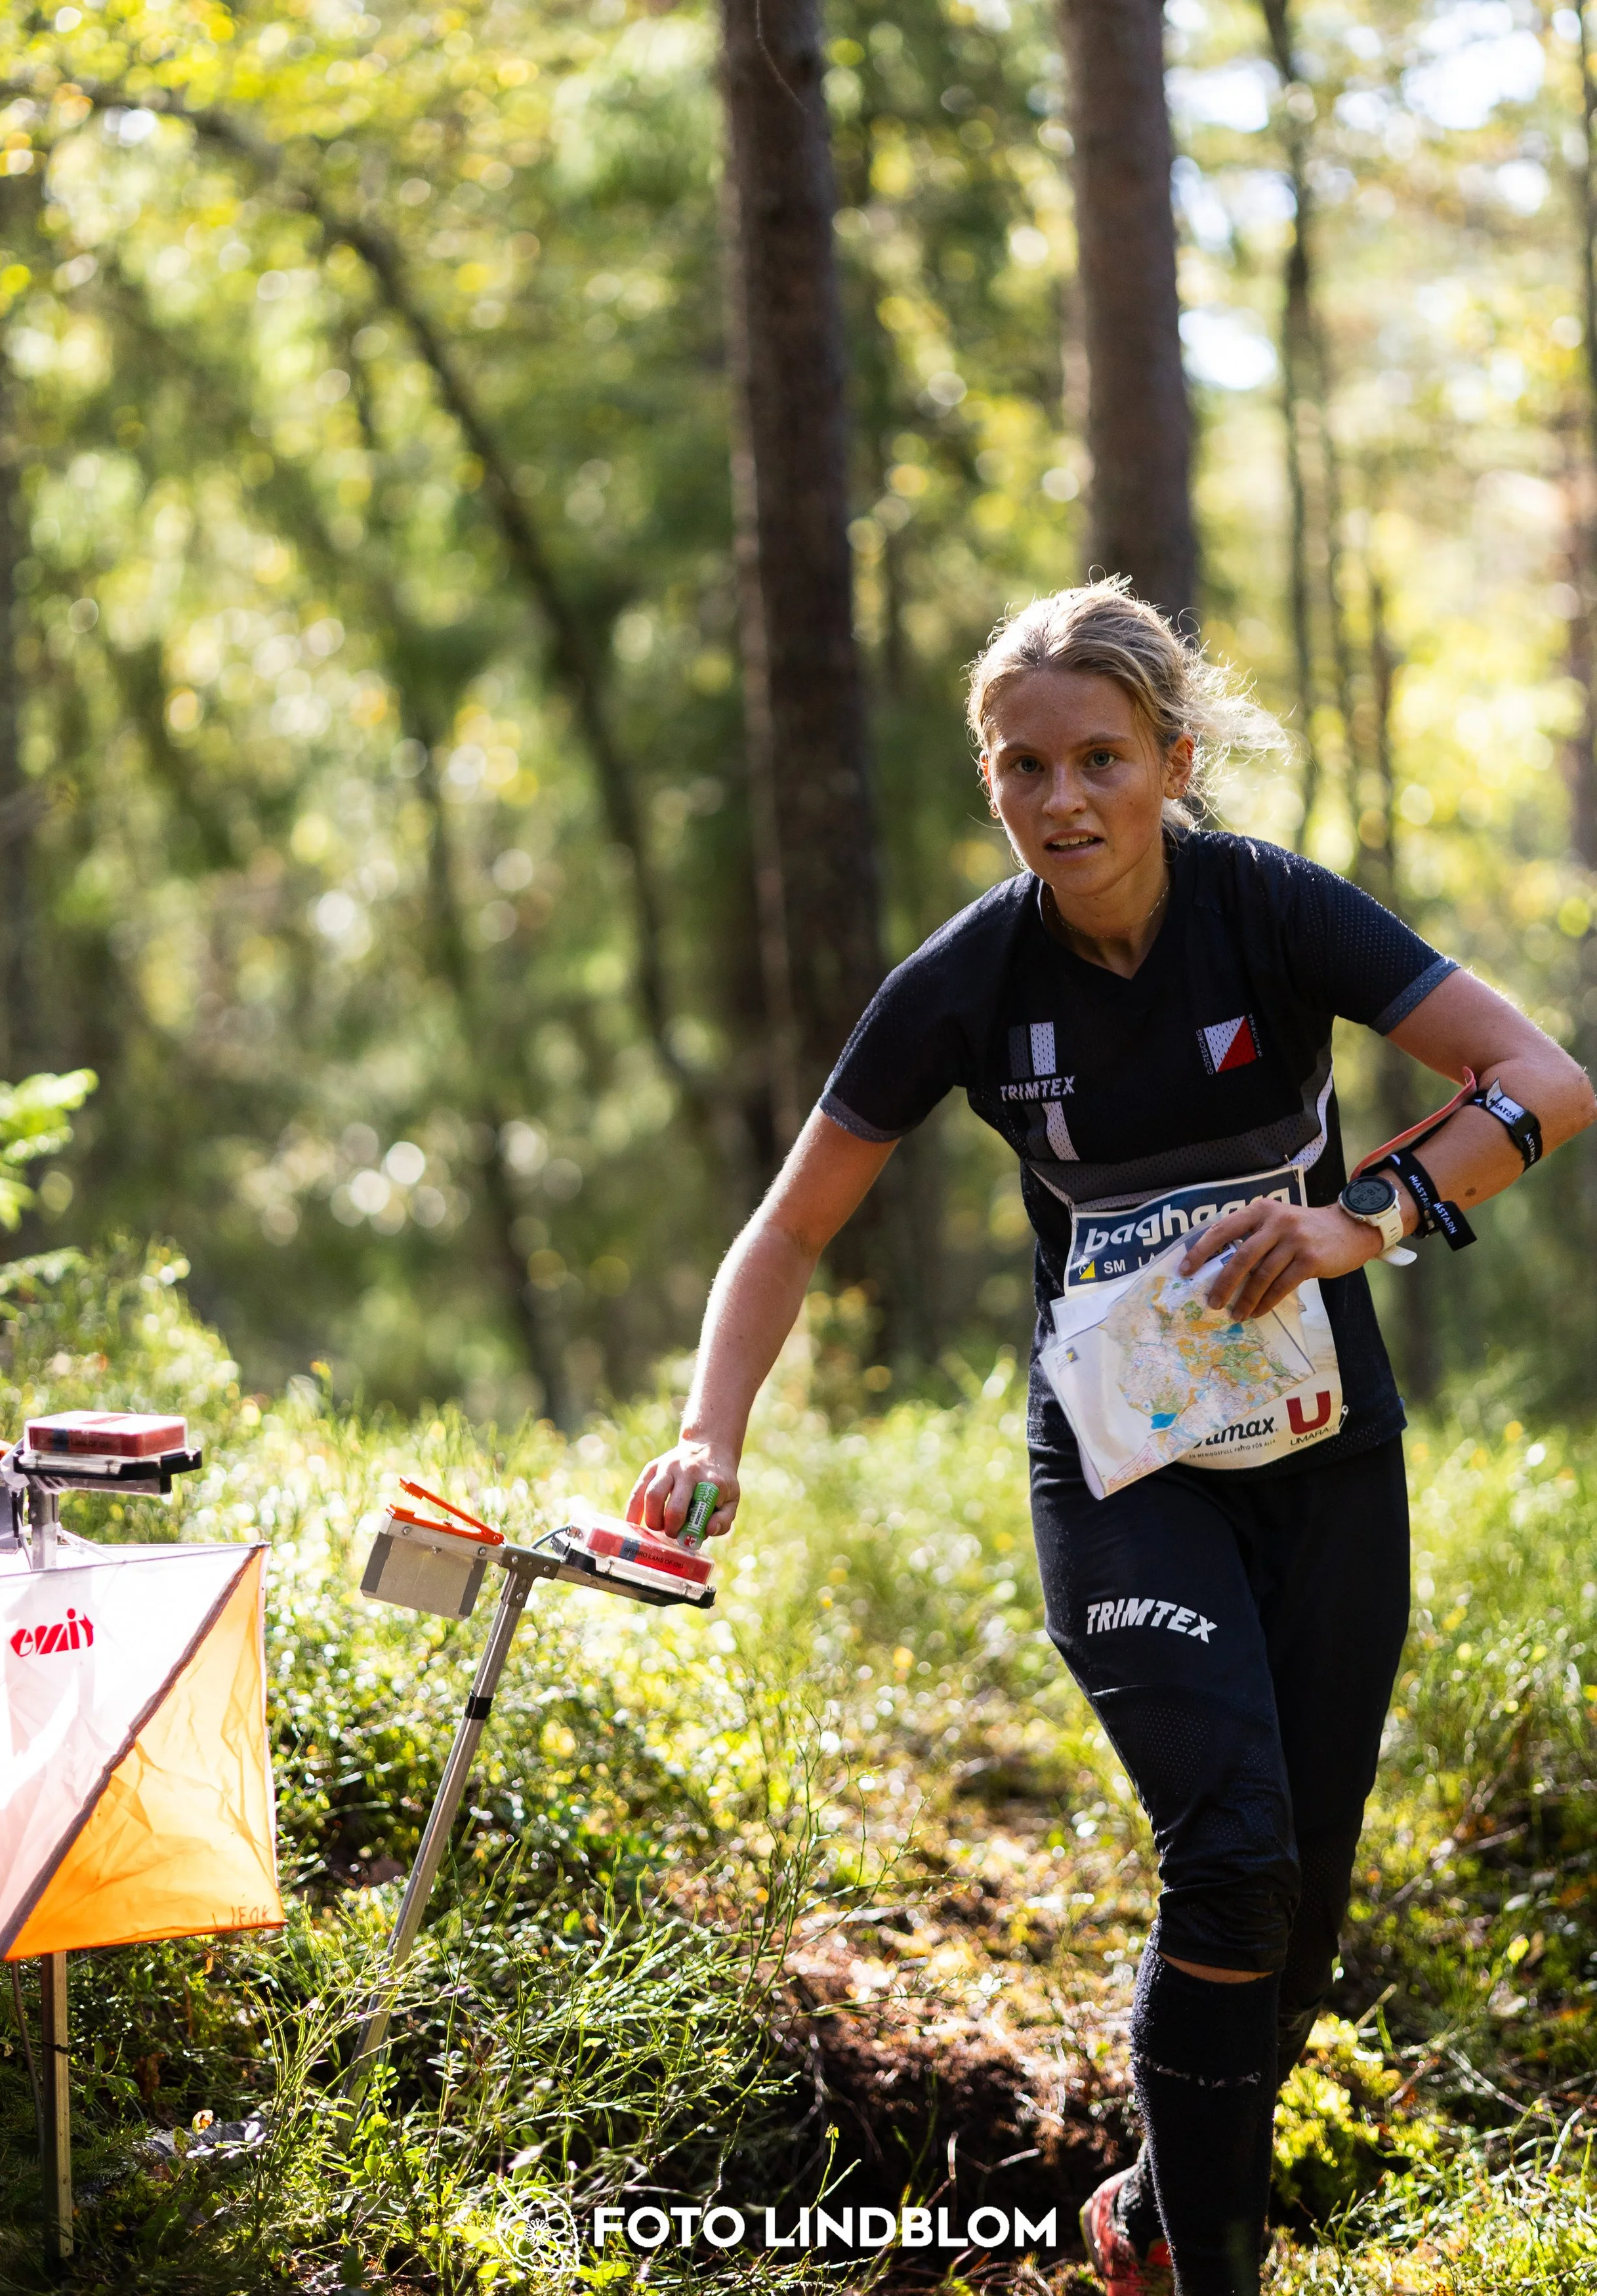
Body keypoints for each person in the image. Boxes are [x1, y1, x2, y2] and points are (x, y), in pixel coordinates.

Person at [626, 580, 1596, 2296]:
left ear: (1172, 758)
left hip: (1321, 1441)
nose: (1061, 799)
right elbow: (783, 1230)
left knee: (1295, 1890)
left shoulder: (1269, 909)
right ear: (989, 783)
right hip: (1120, 1464)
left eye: (1097, 759)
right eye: (1021, 767)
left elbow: (1543, 1076)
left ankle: (1148, 2213)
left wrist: (1362, 1214)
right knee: (1224, 1853)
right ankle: (1210, 2268)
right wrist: (712, 1434)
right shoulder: (970, 977)